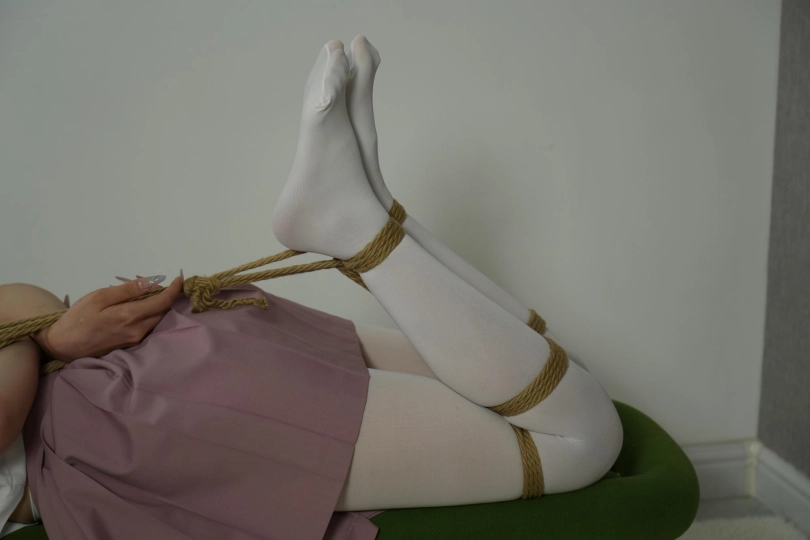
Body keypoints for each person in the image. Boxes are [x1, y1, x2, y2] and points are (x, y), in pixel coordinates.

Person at [0, 36, 622, 540]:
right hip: (148, 379)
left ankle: (356, 218)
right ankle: (370, 205)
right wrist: (45, 336)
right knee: (562, 383)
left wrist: (49, 336)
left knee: (581, 438)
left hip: (132, 420)